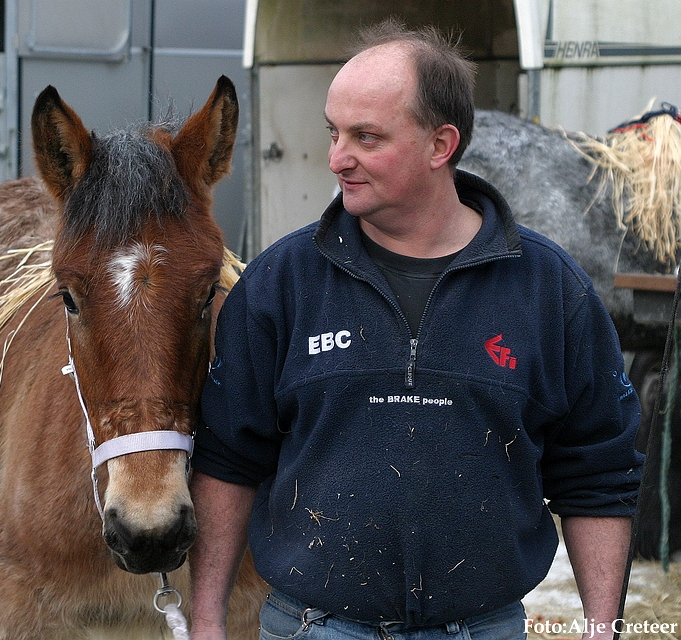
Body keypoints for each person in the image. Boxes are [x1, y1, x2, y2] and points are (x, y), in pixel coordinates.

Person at [188, 18, 643, 640]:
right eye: (333, 132)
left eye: (366, 137)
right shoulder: (280, 285)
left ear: (440, 144)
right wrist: (208, 621)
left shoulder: (548, 291)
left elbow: (597, 474)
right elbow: (227, 461)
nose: (336, 158)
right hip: (314, 627)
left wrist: (601, 629)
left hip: (483, 629)